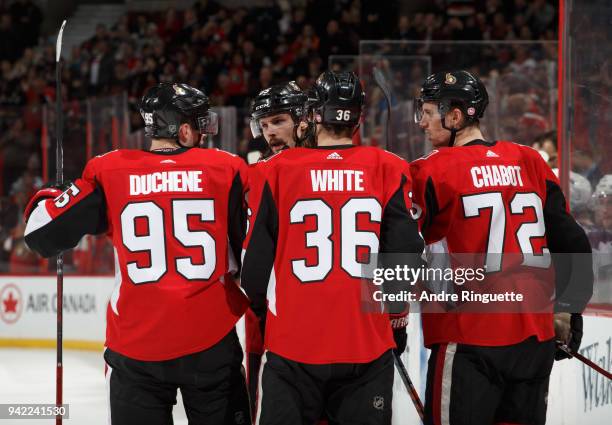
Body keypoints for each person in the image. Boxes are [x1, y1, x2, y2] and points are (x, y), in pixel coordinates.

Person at [23, 82, 252, 425]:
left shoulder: (110, 170)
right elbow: (249, 246)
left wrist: (51, 197)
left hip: (136, 345)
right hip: (211, 341)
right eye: (200, 123)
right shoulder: (226, 168)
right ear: (185, 129)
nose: (205, 131)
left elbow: (39, 236)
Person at [411, 70, 593, 425]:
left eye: (428, 112)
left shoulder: (429, 171)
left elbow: (402, 246)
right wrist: (570, 309)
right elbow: (572, 241)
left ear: (455, 115)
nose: (421, 123)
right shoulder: (530, 160)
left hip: (468, 339)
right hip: (534, 337)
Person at [241, 70, 424, 425]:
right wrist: (397, 320)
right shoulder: (389, 166)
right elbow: (404, 258)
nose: (270, 132)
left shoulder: (272, 171)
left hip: (292, 345)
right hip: (365, 344)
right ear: (359, 116)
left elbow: (254, 274)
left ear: (310, 115)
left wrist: (262, 312)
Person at [249, 81, 312, 160]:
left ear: (302, 121)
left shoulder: (325, 163)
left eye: (278, 122)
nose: (269, 133)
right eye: (264, 125)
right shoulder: (263, 168)